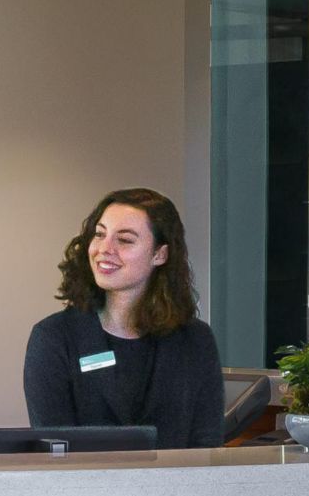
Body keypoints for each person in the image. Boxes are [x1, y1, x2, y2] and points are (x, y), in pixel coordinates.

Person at [21, 187, 227, 447]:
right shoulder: (54, 337)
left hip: (178, 476)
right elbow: (55, 448)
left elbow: (207, 446)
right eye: (99, 234)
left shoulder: (195, 339)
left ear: (159, 254)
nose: (104, 249)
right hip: (87, 476)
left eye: (125, 240)